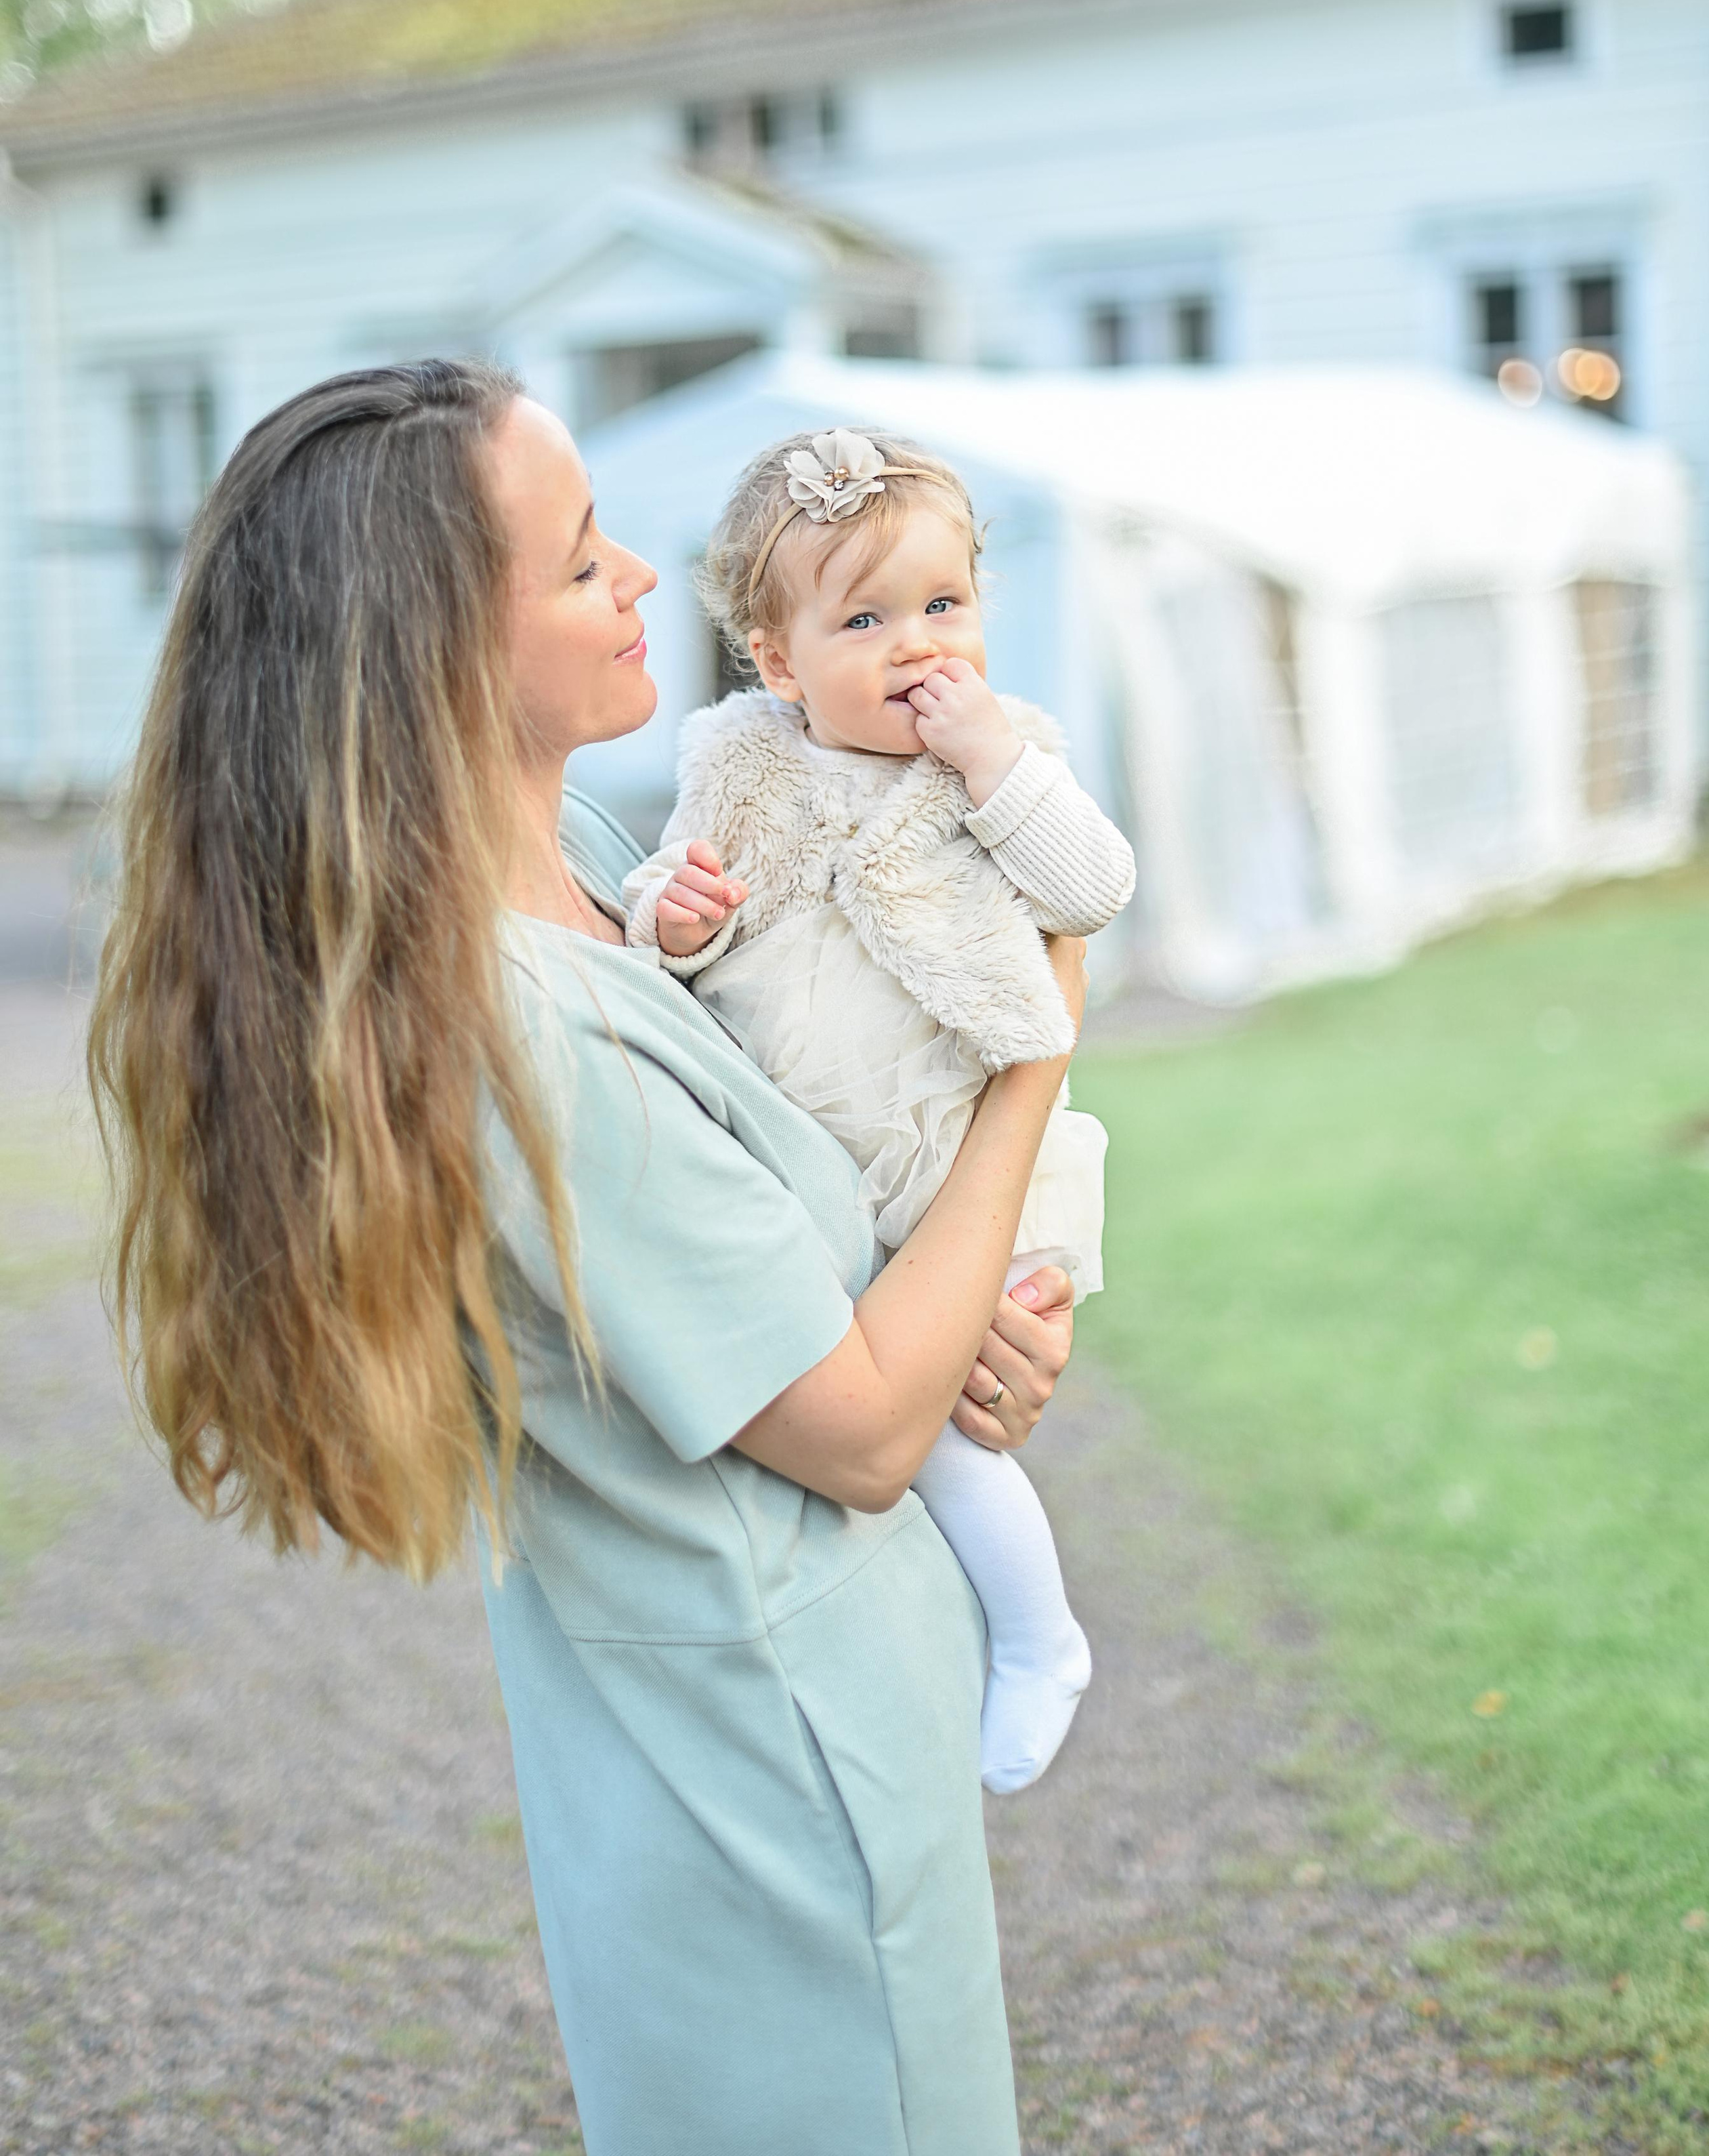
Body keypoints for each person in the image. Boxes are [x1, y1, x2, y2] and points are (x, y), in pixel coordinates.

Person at [88, 359, 1084, 2156]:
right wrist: (1036, 1061)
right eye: (578, 561)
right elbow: (855, 1429)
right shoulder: (523, 1034)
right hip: (777, 1777)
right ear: (434, 657)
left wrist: (978, 1314)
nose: (640, 580)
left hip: (726, 1735)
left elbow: (832, 1262)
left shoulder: (597, 862)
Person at [621, 426, 1135, 1794]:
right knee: (860, 1427)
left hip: (961, 1160)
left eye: (942, 605)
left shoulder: (1005, 756)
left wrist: (990, 766)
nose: (918, 646)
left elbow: (1089, 893)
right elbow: (665, 910)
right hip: (811, 1176)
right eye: (864, 617)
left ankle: (1038, 1638)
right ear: (779, 661)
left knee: (961, 1435)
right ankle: (894, 1671)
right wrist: (672, 916)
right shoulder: (739, 764)